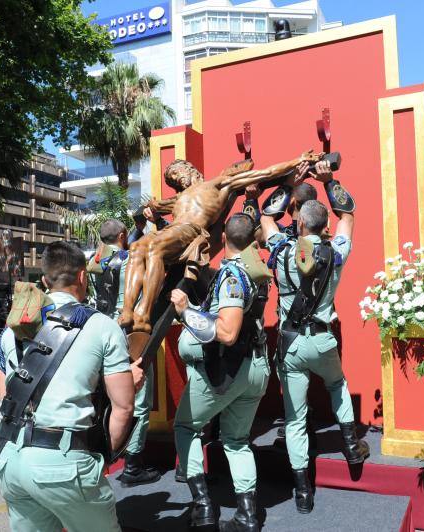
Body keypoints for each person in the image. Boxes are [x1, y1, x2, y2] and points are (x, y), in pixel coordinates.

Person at [0, 241, 136, 532]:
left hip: (10, 461)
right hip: (64, 465)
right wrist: (103, 458)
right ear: (83, 277)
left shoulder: (11, 329)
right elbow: (124, 407)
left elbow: (5, 398)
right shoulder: (102, 326)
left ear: (45, 281)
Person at [259, 159, 368, 514]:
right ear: (323, 226)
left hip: (290, 344)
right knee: (337, 386)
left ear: (300, 222)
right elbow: (348, 216)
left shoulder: (280, 249)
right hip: (323, 340)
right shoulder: (335, 252)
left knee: (294, 419)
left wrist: (290, 184)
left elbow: (266, 217)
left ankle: (303, 491)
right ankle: (352, 448)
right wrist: (330, 179)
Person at [119, 150, 323, 333]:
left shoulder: (219, 183)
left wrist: (299, 160)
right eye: (173, 178)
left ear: (190, 169)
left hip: (190, 231)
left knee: (155, 248)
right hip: (173, 231)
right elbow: (154, 207)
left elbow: (266, 173)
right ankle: (127, 311)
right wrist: (149, 210)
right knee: (136, 247)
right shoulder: (178, 199)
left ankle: (144, 314)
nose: (177, 178)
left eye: (177, 172)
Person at [170, 213, 270, 531]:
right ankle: (248, 515)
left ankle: (203, 507)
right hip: (255, 366)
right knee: (237, 440)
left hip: (230, 370)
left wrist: (185, 311)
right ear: (252, 241)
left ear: (223, 240)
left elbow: (227, 332)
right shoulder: (253, 272)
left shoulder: (231, 276)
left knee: (185, 428)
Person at [89, 219, 160, 487]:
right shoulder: (132, 259)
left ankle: (108, 451)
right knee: (139, 398)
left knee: (108, 398)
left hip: (101, 331)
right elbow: (151, 251)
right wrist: (152, 225)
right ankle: (133, 463)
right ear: (121, 235)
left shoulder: (95, 262)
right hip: (129, 334)